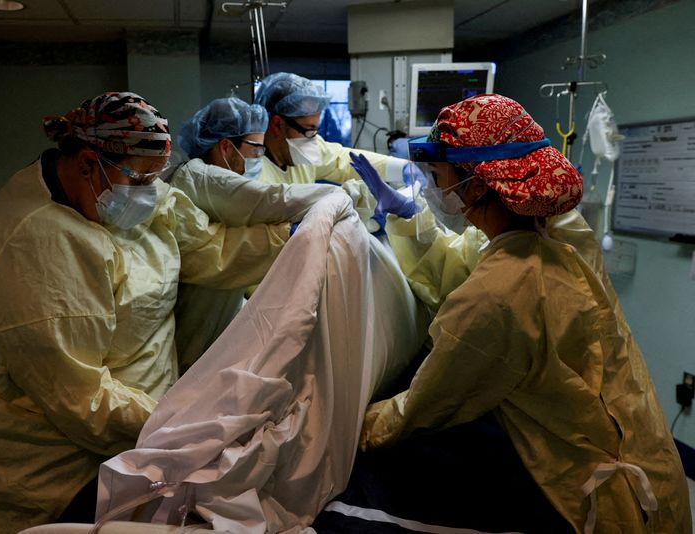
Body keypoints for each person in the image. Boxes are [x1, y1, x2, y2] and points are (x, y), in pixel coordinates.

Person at [0, 91, 294, 534]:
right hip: (33, 450)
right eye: (140, 180)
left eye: (156, 178)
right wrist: (182, 422)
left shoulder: (122, 194)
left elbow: (208, 248)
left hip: (131, 414)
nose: (150, 192)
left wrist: (292, 232)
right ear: (84, 163)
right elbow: (80, 399)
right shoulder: (32, 245)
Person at [348, 94, 690, 533]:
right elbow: (470, 266)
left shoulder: (499, 295)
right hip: (651, 457)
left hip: (608, 505)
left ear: (477, 185)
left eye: (437, 176)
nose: (432, 187)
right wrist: (409, 217)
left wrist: (353, 426)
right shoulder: (560, 232)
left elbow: (428, 402)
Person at [170, 97, 336, 369]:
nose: (259, 159)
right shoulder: (200, 177)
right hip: (194, 332)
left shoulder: (209, 178)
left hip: (215, 320)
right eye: (256, 150)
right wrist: (343, 196)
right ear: (225, 146)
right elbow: (269, 201)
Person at [253, 72, 427, 233]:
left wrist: (401, 167)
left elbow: (342, 160)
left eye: (316, 129)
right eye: (309, 129)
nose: (313, 139)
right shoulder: (253, 174)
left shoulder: (298, 147)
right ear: (277, 125)